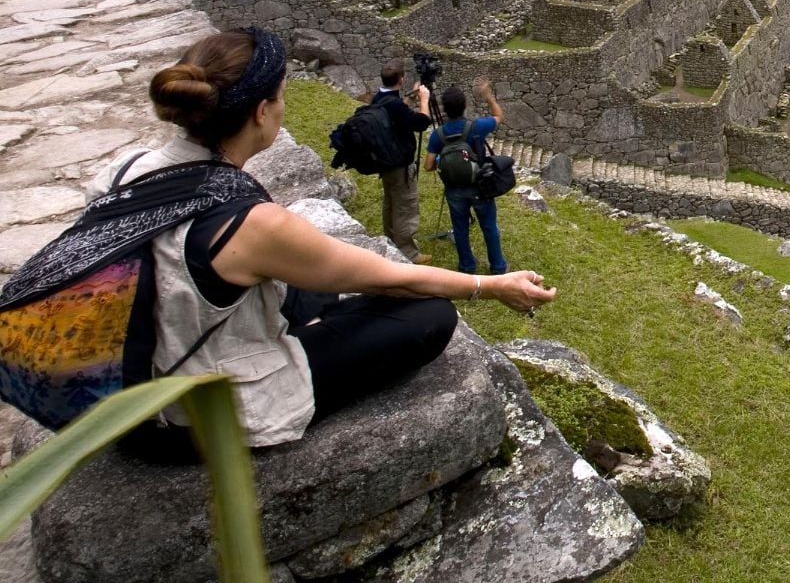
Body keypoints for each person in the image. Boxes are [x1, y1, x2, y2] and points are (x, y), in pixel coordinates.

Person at [38, 28, 555, 459]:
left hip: (129, 378)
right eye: (282, 97)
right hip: (190, 415)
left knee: (306, 292)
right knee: (429, 316)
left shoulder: (123, 171)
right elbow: (390, 276)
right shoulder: (250, 225)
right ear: (262, 112)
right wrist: (490, 286)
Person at [425, 80, 509, 275]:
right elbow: (498, 116)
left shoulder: (438, 135)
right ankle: (498, 267)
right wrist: (488, 97)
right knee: (489, 226)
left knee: (460, 228)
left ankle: (467, 266)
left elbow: (428, 165)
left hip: (454, 189)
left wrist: (443, 159)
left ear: (445, 109)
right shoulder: (476, 127)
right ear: (464, 106)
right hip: (480, 185)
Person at [371, 61, 434, 263]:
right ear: (401, 79)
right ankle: (409, 252)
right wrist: (424, 100)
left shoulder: (378, 99)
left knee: (390, 202)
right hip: (399, 164)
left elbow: (398, 114)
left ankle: (390, 240)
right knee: (405, 205)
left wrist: (411, 96)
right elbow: (422, 123)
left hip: (384, 162)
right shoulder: (395, 105)